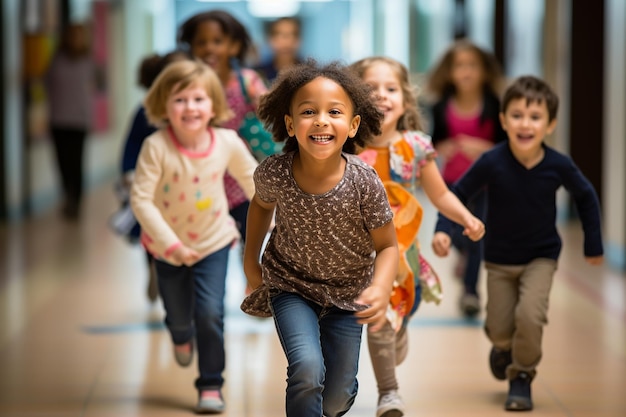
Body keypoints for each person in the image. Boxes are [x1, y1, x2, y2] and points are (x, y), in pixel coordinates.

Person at [431, 75, 604, 412]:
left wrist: (593, 243)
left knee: (530, 316)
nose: (526, 124)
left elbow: (585, 196)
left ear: (550, 124)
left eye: (535, 117)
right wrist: (443, 229)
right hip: (498, 259)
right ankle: (503, 347)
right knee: (499, 328)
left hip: (541, 257)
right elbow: (458, 194)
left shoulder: (558, 165)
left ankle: (521, 376)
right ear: (503, 121)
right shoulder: (492, 161)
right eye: (517, 115)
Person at [240, 59, 399, 417]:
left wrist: (382, 287)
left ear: (353, 125)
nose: (322, 120)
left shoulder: (363, 181)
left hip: (348, 294)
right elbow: (260, 206)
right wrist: (251, 261)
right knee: (307, 369)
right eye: (309, 111)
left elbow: (387, 245)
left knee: (336, 397)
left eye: (334, 112)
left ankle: (338, 398)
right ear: (290, 124)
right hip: (291, 286)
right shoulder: (275, 173)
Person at [350, 56, 485, 417]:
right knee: (378, 322)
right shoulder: (344, 146)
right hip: (356, 257)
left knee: (396, 321)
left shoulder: (415, 146)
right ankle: (388, 393)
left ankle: (397, 332)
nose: (382, 95)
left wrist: (465, 217)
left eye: (391, 89)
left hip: (403, 260)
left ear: (406, 100)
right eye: (370, 88)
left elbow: (441, 195)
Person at [130, 60, 258, 414]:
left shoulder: (227, 142)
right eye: (180, 100)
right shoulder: (156, 146)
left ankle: (211, 383)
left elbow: (256, 186)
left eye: (199, 99)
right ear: (163, 106)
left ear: (214, 105)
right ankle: (180, 335)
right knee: (180, 316)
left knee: (211, 313)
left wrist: (276, 222)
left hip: (213, 241)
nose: (190, 108)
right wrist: (171, 243)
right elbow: (140, 199)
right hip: (166, 246)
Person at [425, 39, 507, 316]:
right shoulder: (441, 106)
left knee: (477, 237)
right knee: (455, 232)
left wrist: (483, 149)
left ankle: (470, 292)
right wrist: (442, 148)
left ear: (484, 71)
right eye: (460, 66)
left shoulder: (494, 105)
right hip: (451, 184)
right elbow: (432, 143)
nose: (466, 72)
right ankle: (461, 255)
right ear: (450, 72)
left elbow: (506, 147)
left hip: (486, 185)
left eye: (473, 66)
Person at [178, 9, 268, 242]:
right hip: (201, 177)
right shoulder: (189, 84)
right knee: (207, 242)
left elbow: (270, 114)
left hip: (242, 177)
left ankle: (252, 279)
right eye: (201, 42)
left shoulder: (247, 81)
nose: (209, 48)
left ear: (234, 47)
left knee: (251, 241)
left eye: (218, 41)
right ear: (191, 48)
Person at [115, 50, 188, 303]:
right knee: (153, 228)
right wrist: (128, 172)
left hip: (189, 185)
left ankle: (182, 275)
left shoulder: (200, 107)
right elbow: (132, 144)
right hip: (154, 183)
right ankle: (153, 268)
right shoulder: (147, 110)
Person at [45, 23, 94, 220]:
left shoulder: (88, 61)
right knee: (62, 163)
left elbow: (98, 84)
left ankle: (76, 203)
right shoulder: (56, 60)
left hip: (79, 120)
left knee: (76, 163)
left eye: (79, 36)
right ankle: (67, 197)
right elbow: (45, 82)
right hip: (58, 119)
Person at [254, 17, 303, 85]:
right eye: (279, 35)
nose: (285, 42)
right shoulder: (258, 74)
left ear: (298, 40)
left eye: (290, 35)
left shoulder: (311, 74)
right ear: (270, 40)